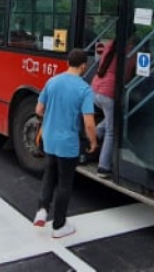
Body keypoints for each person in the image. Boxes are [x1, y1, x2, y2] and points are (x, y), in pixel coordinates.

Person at [32, 48, 98, 239]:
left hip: (49, 139)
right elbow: (89, 123)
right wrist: (93, 142)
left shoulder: (52, 81)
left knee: (50, 172)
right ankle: (59, 225)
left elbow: (39, 109)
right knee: (65, 183)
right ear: (84, 65)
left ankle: (42, 210)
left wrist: (53, 116)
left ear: (67, 62)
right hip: (68, 143)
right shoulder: (84, 89)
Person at [89, 36, 135, 178]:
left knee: (112, 118)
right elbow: (127, 76)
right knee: (112, 130)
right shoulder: (131, 51)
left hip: (95, 90)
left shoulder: (109, 45)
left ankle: (95, 133)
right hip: (108, 95)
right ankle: (103, 167)